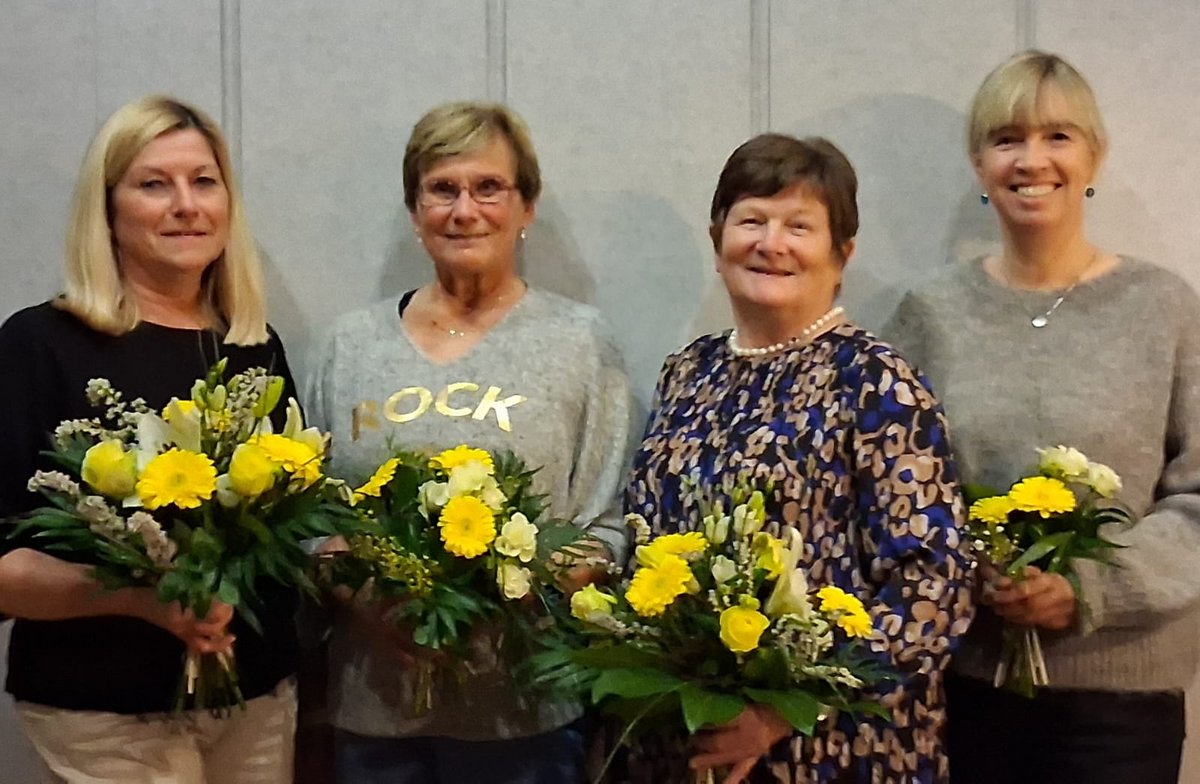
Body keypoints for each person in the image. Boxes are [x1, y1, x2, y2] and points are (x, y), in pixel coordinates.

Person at [884, 50, 1200, 784]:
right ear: (979, 164)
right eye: (1007, 139)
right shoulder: (929, 313)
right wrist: (969, 569)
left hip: (1119, 704)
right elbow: (894, 492)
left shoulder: (1164, 307)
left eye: (1058, 136)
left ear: (1094, 156)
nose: (1032, 160)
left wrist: (1089, 587)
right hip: (964, 690)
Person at [622, 133, 974, 784]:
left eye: (799, 226)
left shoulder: (878, 383)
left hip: (834, 745)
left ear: (842, 253)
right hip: (682, 739)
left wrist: (787, 708)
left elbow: (934, 586)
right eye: (751, 220)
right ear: (717, 239)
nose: (771, 243)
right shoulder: (688, 373)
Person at [307, 101, 632, 784]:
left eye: (489, 188)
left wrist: (495, 602)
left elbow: (605, 526)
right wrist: (374, 602)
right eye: (442, 189)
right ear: (414, 210)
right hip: (377, 713)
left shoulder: (580, 343)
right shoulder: (350, 344)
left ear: (526, 206)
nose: (464, 211)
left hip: (526, 715)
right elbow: (310, 520)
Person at [0, 96, 299, 782]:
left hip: (255, 696)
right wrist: (142, 600)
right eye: (154, 184)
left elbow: (289, 522)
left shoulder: (252, 346)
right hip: (105, 710)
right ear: (107, 209)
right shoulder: (39, 345)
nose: (186, 205)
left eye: (204, 181)